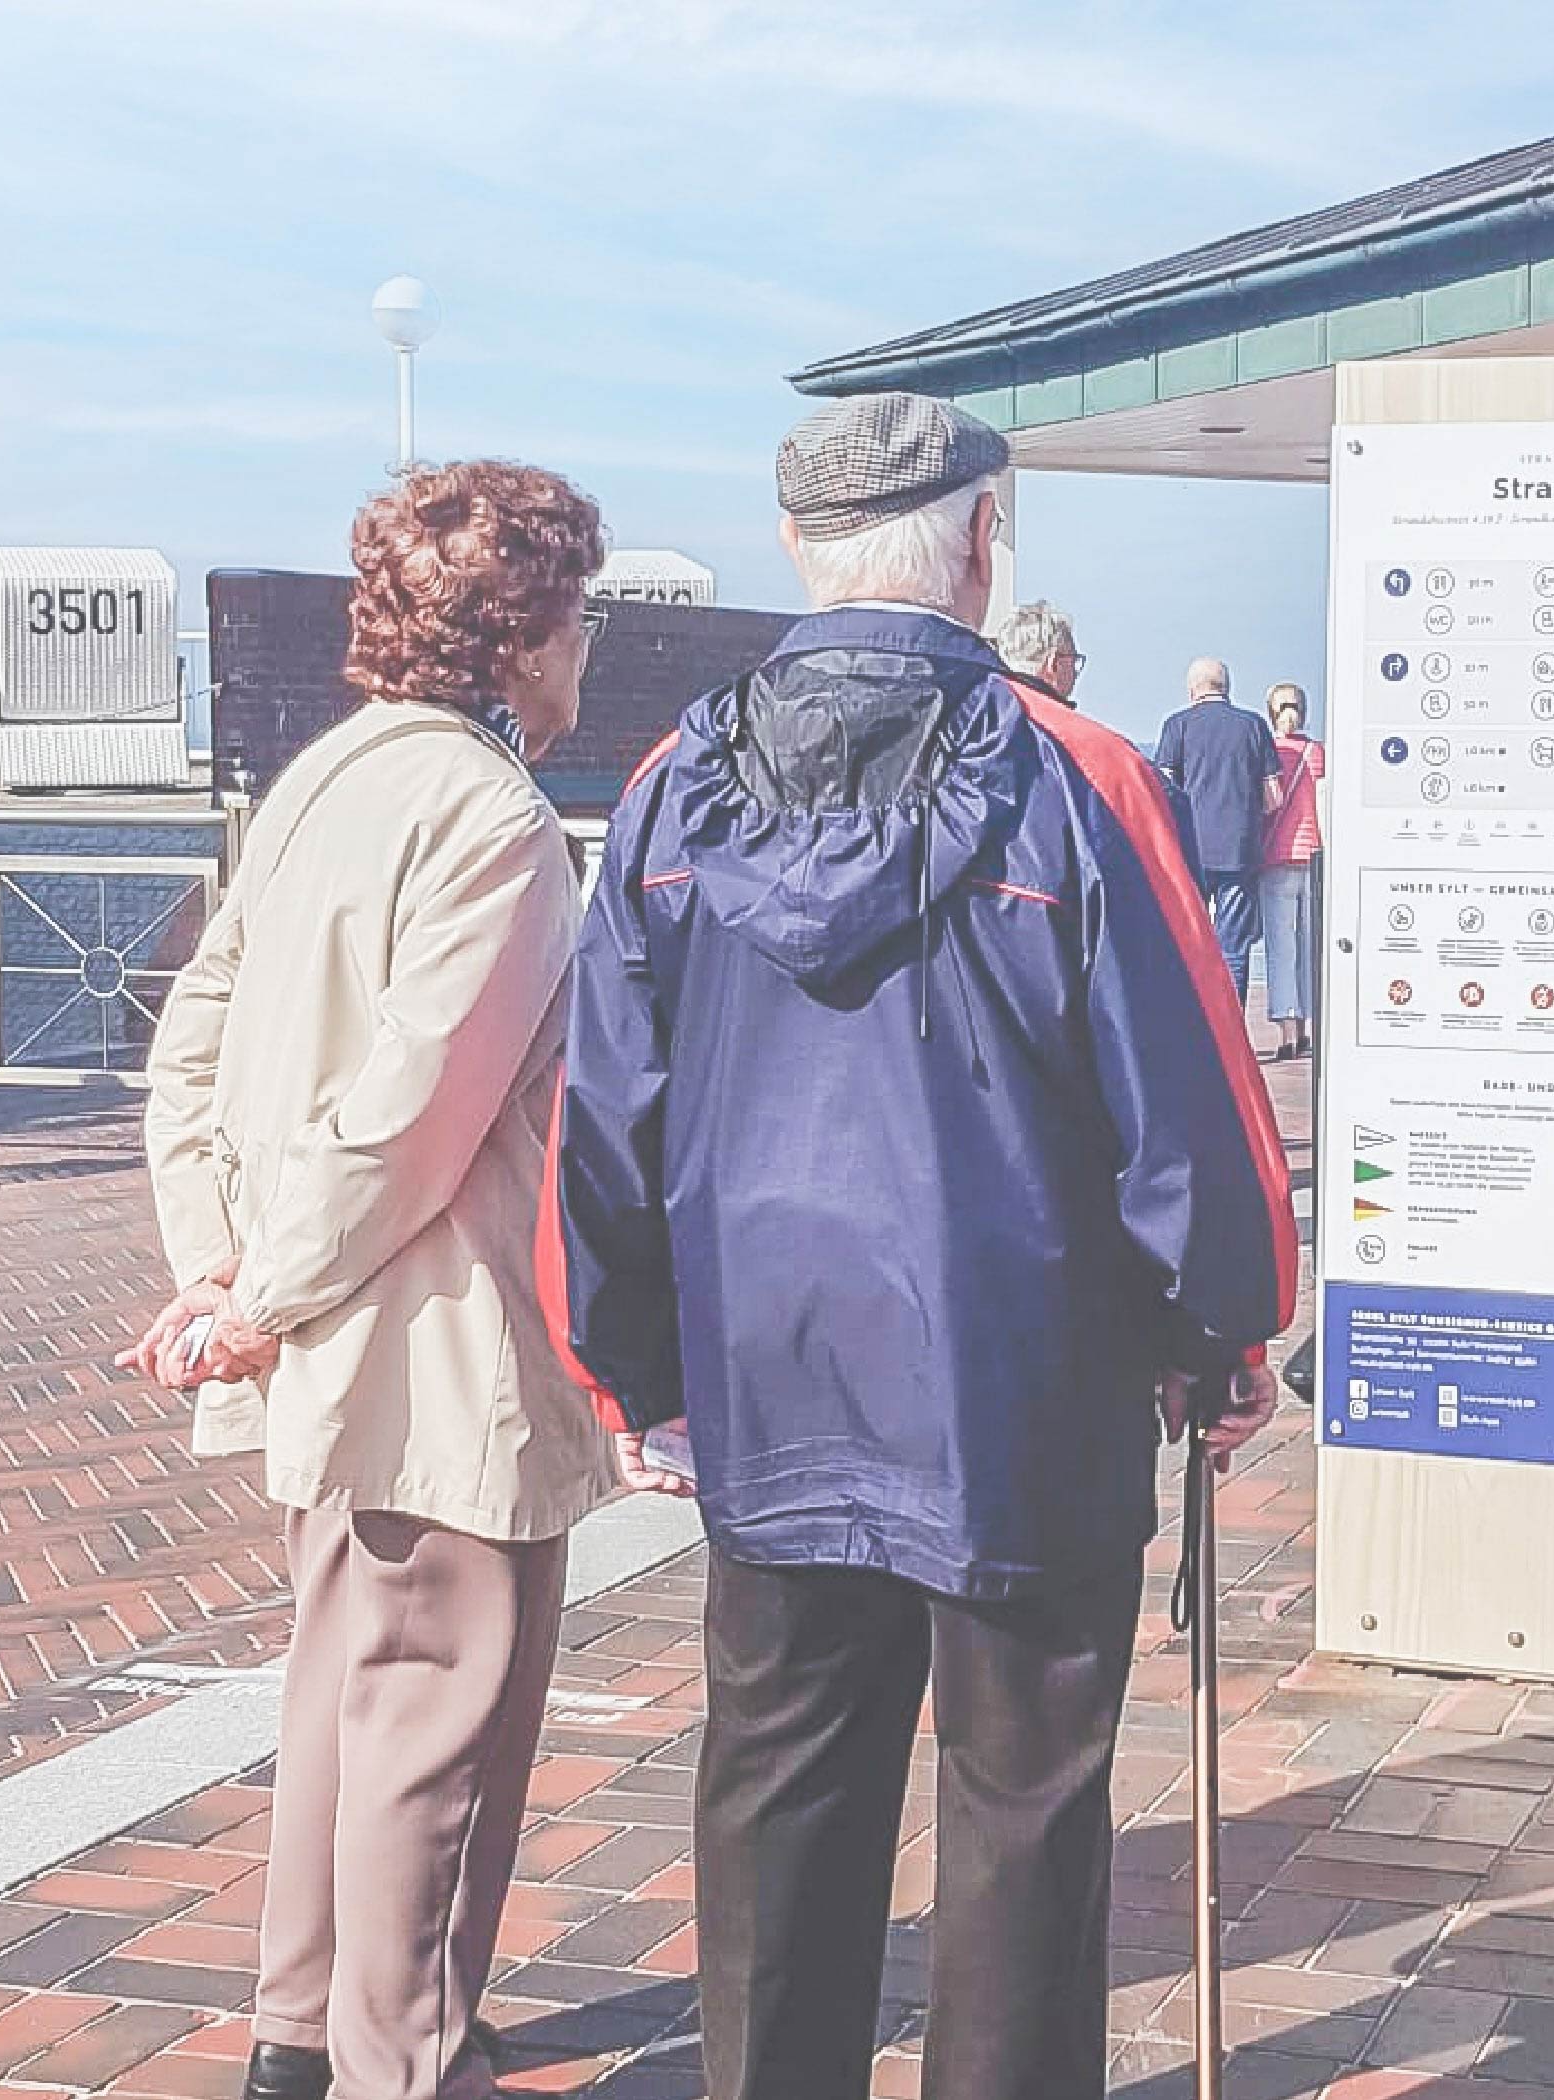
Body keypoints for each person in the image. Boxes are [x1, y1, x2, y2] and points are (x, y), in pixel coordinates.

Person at [543, 391, 1294, 2100]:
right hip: (1025, 1382)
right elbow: (1186, 1101)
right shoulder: (1077, 775)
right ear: (982, 544)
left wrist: (630, 1368)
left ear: (798, 545)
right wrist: (1221, 1331)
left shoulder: (668, 787)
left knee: (776, 1789)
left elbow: (604, 1113)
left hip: (770, 1375)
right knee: (1024, 1811)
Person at [128, 461, 618, 2100]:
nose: (588, 646)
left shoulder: (321, 780)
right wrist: (253, 1295)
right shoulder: (500, 825)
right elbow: (413, 1116)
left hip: (321, 1346)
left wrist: (221, 1267)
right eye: (579, 614)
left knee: (344, 1693)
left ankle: (299, 2033)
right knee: (436, 1738)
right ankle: (403, 2066)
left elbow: (192, 1042)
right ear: (521, 634)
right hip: (440, 1353)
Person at [996, 597, 1201, 874]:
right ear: (1054, 664)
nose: (1076, 672)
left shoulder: (971, 730)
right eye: (1074, 661)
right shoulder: (1092, 747)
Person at [1154, 657, 1281, 1006]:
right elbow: (1274, 797)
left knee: (1187, 940)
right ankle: (1232, 1022)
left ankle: (1190, 1018)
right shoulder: (1253, 726)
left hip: (1190, 850)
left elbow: (1163, 791)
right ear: (1227, 687)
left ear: (1192, 689)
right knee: (1234, 949)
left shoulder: (1177, 726)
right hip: (1239, 849)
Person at [1259, 681, 1326, 1060]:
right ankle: (1310, 1028)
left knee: (1281, 948)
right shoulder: (1317, 753)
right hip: (1314, 856)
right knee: (1309, 949)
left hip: (1277, 857)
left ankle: (1287, 1032)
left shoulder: (1270, 753)